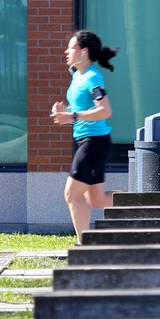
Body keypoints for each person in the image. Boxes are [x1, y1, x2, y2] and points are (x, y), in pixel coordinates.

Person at [50, 30, 117, 243]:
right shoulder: (77, 74)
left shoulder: (93, 78)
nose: (66, 51)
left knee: (72, 194)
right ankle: (138, 203)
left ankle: (83, 244)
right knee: (96, 199)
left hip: (94, 143)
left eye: (71, 47)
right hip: (88, 141)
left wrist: (73, 115)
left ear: (83, 51)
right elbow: (82, 109)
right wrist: (66, 112)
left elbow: (105, 111)